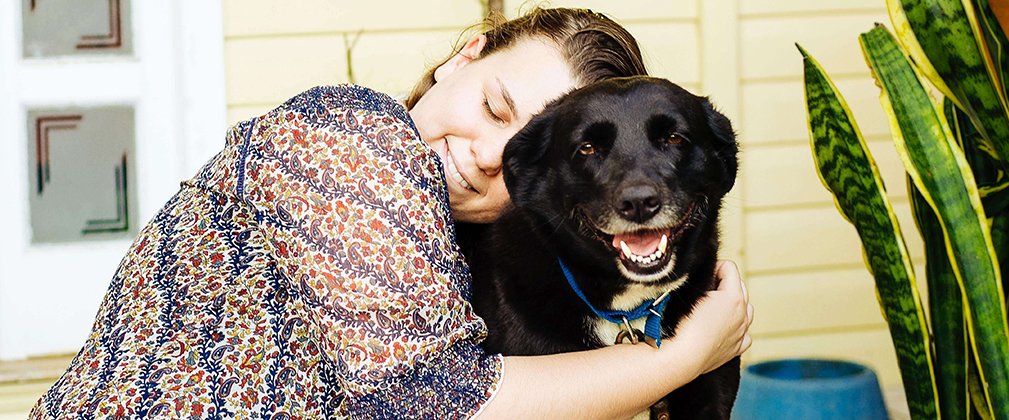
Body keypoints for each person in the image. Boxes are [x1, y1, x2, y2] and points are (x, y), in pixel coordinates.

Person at [31, 8, 752, 419]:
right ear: (461, 59)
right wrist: (687, 357)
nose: (485, 152)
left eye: (523, 149)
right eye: (494, 105)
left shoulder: (457, 265)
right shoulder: (349, 132)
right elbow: (434, 406)